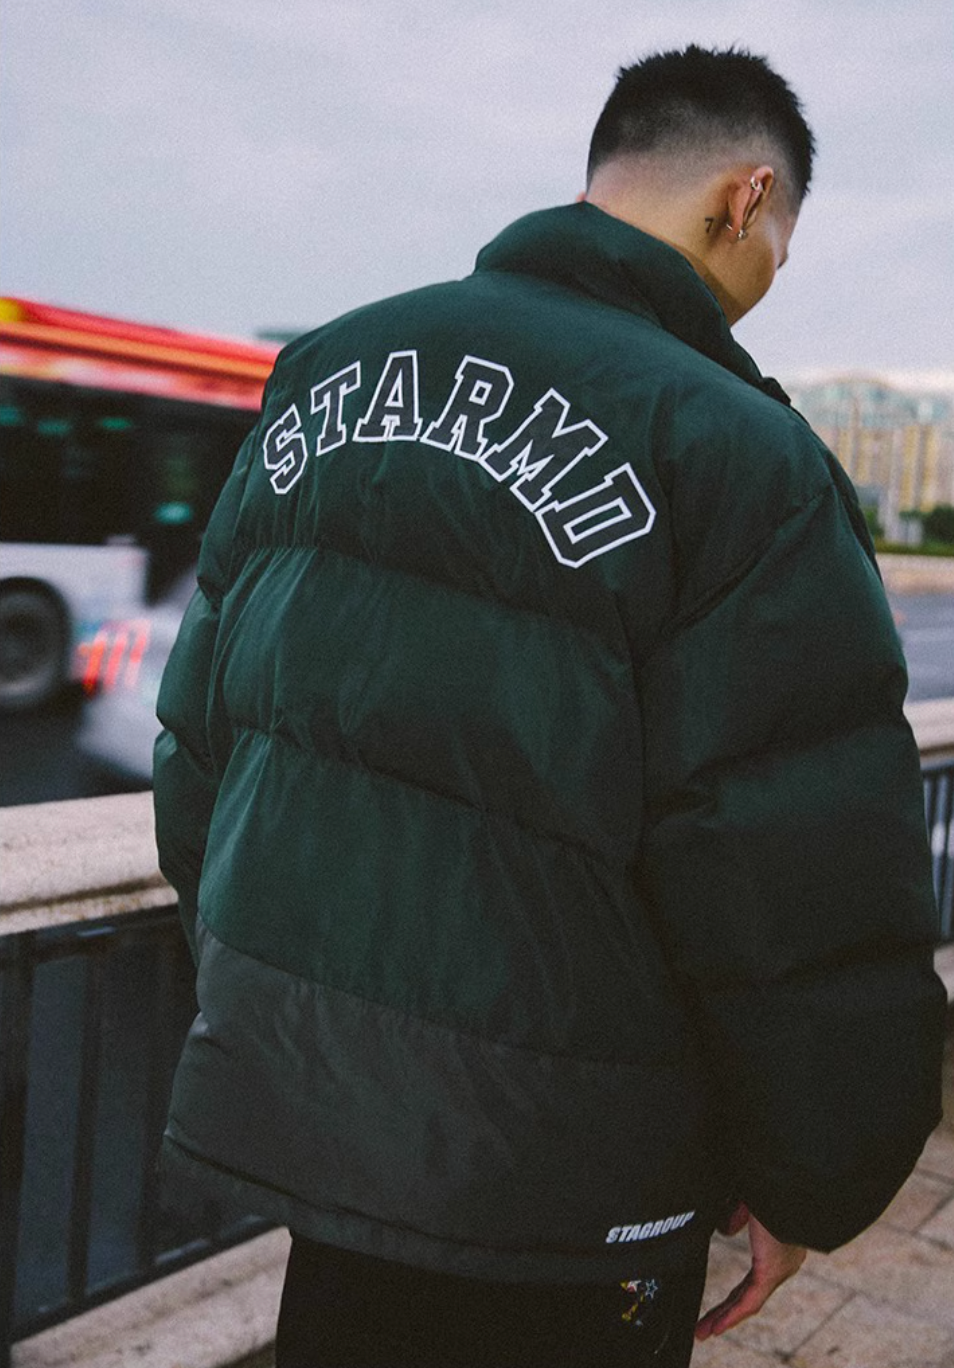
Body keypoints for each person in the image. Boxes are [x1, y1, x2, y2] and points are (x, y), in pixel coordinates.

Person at [153, 45, 946, 1367]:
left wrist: (286, 1013)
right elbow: (791, 873)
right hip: (577, 1184)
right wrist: (812, 1171)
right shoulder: (738, 453)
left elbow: (201, 750)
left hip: (323, 1120)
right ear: (745, 198)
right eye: (781, 246)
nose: (768, 277)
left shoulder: (325, 371)